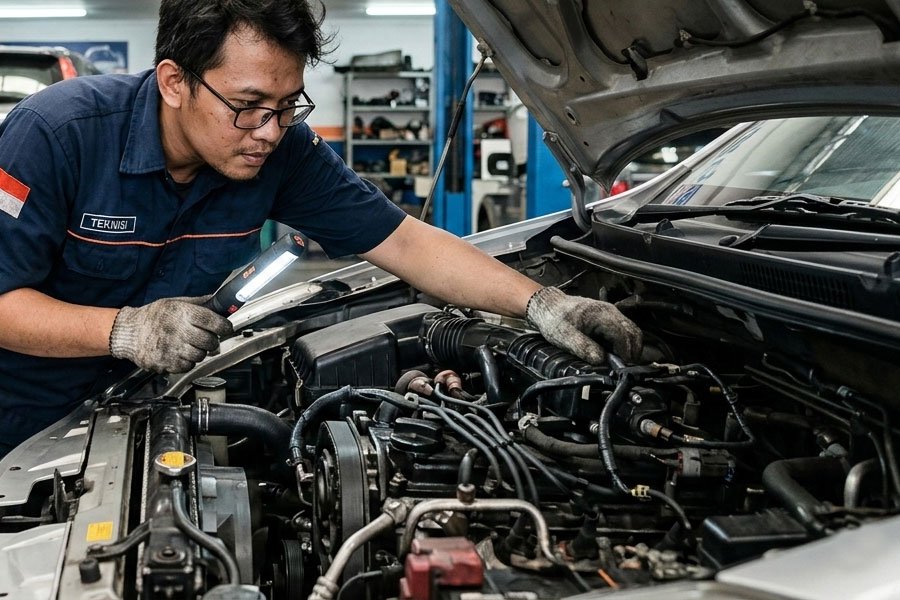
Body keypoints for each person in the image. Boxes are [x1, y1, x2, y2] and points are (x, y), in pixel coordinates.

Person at [0, 0, 641, 455]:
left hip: (137, 409)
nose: (270, 132)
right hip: (18, 415)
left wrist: (540, 302)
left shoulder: (283, 152)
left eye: (287, 106)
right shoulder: (56, 135)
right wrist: (127, 329)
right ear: (174, 82)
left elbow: (407, 243)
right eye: (247, 107)